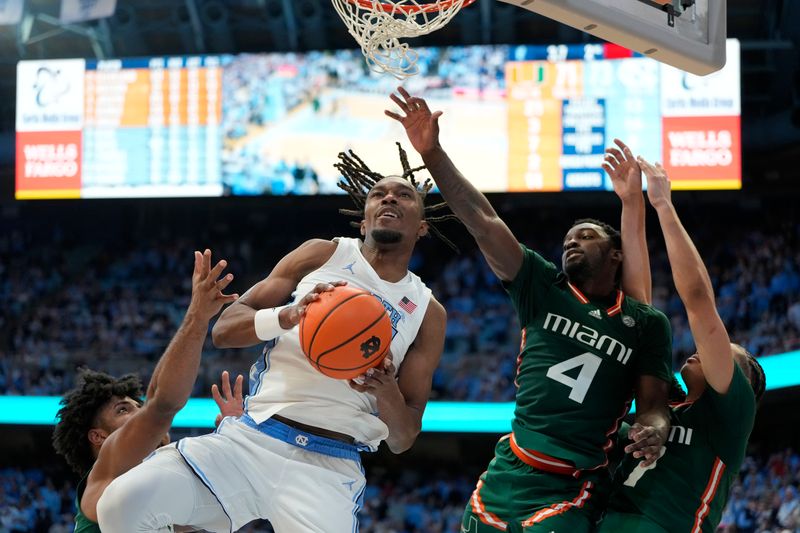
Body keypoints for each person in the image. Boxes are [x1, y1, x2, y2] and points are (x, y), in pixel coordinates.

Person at [96, 145, 451, 532]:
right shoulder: (322, 254)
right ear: (363, 222)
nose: (389, 198)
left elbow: (403, 438)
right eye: (378, 193)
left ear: (421, 226)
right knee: (120, 504)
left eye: (403, 195)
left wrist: (385, 389)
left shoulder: (427, 312)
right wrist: (285, 316)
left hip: (329, 468)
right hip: (251, 440)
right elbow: (225, 329)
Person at [386, 88, 673, 533]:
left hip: (573, 486)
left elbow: (654, 405)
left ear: (616, 255)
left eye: (586, 236)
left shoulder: (644, 324)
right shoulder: (543, 287)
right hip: (507, 470)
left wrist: (655, 427)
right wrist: (433, 152)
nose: (571, 242)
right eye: (567, 240)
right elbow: (482, 221)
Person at [596, 156, 765, 533]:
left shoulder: (730, 416)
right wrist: (631, 204)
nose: (703, 352)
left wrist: (664, 205)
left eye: (722, 354)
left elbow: (700, 303)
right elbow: (637, 311)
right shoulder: (666, 400)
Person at [51, 250, 240, 532]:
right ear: (99, 436)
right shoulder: (106, 478)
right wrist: (198, 317)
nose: (138, 413)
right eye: (124, 409)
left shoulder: (159, 495)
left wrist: (233, 436)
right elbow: (161, 404)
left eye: (136, 406)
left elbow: (228, 505)